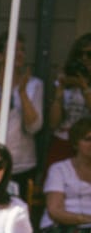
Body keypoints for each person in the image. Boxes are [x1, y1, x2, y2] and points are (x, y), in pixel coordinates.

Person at [0, 33, 44, 195]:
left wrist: (22, 93)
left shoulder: (34, 85)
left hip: (22, 163)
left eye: (22, 50)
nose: (20, 54)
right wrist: (5, 95)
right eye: (14, 50)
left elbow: (34, 127)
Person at [38, 115, 91, 233]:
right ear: (75, 143)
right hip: (58, 227)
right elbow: (54, 211)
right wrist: (85, 219)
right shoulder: (59, 169)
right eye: (87, 139)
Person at [46, 33, 91, 166]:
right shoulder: (66, 81)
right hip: (63, 139)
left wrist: (84, 87)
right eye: (80, 54)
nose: (84, 58)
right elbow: (53, 123)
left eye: (89, 54)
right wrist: (59, 94)